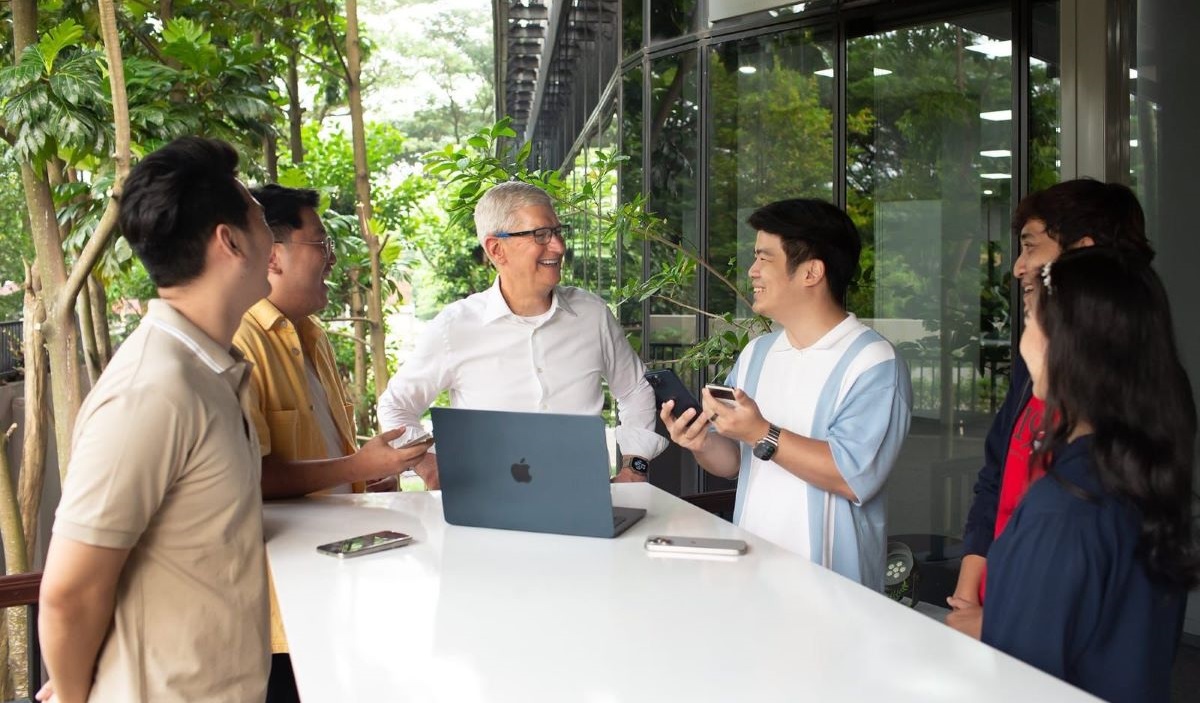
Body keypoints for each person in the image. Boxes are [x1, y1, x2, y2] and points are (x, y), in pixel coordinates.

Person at [37, 137, 273, 702]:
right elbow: (70, 589)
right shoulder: (154, 390)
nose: (276, 242)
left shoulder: (205, 371)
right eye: (264, 221)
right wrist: (71, 695)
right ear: (230, 241)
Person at [231, 184, 431, 702]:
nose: (333, 259)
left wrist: (372, 470)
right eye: (321, 245)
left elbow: (326, 458)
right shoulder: (238, 343)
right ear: (272, 255)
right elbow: (247, 478)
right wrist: (352, 466)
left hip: (335, 581)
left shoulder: (312, 336)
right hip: (275, 608)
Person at [977, 248, 1197, 701]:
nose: (1022, 341)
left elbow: (1020, 684)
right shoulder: (1142, 480)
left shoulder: (1062, 513)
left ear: (1067, 346)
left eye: (1032, 322)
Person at [658, 198, 911, 589]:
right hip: (754, 573)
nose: (752, 271)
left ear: (811, 272)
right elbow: (734, 463)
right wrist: (699, 443)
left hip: (833, 587)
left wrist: (762, 432)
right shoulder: (757, 353)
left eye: (764, 258)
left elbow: (852, 476)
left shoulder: (873, 362)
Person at [948, 179, 1156, 629]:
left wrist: (997, 625)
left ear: (1082, 251)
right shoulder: (1036, 373)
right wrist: (970, 589)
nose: (1019, 267)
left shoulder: (1090, 478)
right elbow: (997, 470)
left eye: (1031, 248)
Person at [377, 181, 666, 486]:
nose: (558, 246)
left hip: (584, 507)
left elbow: (636, 389)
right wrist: (430, 465)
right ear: (496, 249)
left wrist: (635, 466)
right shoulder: (454, 326)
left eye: (557, 231)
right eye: (540, 234)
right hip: (485, 513)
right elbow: (395, 406)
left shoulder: (592, 314)